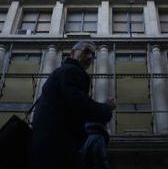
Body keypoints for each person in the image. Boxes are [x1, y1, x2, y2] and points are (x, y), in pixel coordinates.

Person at [31, 41, 116, 169]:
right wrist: (106, 108)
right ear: (72, 53)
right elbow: (79, 104)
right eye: (86, 51)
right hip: (57, 146)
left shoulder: (63, 71)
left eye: (92, 55)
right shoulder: (71, 71)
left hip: (49, 145)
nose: (89, 57)